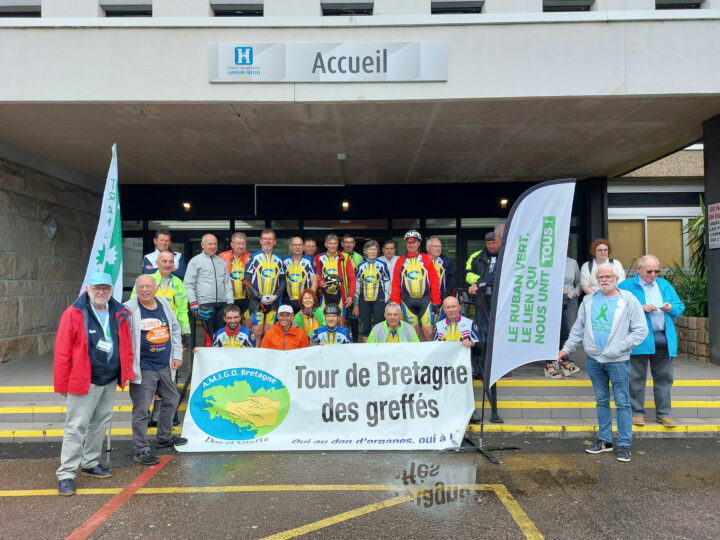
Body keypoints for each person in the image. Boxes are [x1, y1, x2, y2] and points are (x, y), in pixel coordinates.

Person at [54, 272, 134, 497]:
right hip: (84, 381)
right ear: (88, 289)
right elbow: (62, 351)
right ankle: (66, 473)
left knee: (100, 424)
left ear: (111, 290)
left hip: (109, 380)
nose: (101, 292)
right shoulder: (73, 313)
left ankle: (89, 463)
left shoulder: (117, 311)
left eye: (106, 288)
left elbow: (124, 344)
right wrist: (62, 383)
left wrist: (125, 372)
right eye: (97, 288)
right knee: (76, 426)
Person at [559, 263, 648, 462]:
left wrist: (620, 347)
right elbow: (577, 330)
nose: (604, 280)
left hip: (617, 361)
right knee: (601, 401)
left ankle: (624, 444)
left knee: (623, 403)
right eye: (601, 277)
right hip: (594, 360)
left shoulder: (628, 300)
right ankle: (605, 441)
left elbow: (641, 331)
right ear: (597, 280)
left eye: (608, 276)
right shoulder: (589, 300)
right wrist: (566, 349)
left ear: (617, 279)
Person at [125, 275, 187, 466]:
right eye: (141, 286)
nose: (145, 289)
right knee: (142, 410)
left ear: (155, 288)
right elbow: (123, 339)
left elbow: (174, 329)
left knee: (171, 399)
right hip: (143, 369)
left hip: (165, 365)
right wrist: (126, 368)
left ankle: (164, 438)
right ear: (137, 288)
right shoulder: (128, 308)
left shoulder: (163, 303)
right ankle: (141, 450)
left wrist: (177, 355)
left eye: (148, 286)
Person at [618, 254, 685, 428]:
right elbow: (616, 309)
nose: (653, 274)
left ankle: (664, 414)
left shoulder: (664, 285)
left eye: (656, 271)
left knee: (664, 378)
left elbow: (679, 307)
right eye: (649, 271)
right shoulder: (626, 286)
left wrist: (671, 307)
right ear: (639, 270)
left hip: (663, 339)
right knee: (635, 378)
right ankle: (637, 413)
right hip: (638, 340)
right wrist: (640, 308)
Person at [131, 249, 190, 426]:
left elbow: (182, 310)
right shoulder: (146, 281)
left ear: (174, 264)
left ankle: (163, 413)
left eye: (170, 261)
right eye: (164, 261)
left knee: (170, 375)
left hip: (169, 335)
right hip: (147, 335)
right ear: (157, 263)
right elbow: (134, 304)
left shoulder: (178, 283)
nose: (167, 264)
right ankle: (147, 412)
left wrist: (185, 333)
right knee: (147, 378)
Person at [434, 296, 502, 423]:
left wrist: (472, 344)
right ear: (444, 309)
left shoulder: (469, 324)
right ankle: (445, 411)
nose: (451, 310)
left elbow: (480, 349)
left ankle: (470, 411)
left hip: (465, 367)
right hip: (445, 367)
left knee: (464, 388)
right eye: (448, 307)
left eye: (454, 306)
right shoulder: (439, 326)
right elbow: (434, 349)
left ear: (459, 307)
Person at [184, 233, 233, 346]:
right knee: (210, 336)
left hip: (222, 304)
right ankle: (209, 362)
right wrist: (193, 301)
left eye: (215, 244)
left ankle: (220, 362)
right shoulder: (195, 261)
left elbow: (227, 284)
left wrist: (230, 303)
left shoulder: (221, 262)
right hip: (204, 304)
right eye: (210, 244)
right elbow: (188, 284)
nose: (213, 246)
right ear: (202, 245)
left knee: (221, 336)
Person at [391, 230, 441, 342]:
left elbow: (434, 282)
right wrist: (395, 304)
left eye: (414, 242)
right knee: (414, 333)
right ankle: (417, 359)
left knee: (429, 331)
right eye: (409, 243)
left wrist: (436, 302)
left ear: (419, 243)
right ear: (405, 244)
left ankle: (430, 358)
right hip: (407, 301)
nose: (411, 244)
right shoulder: (400, 261)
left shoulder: (426, 259)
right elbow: (395, 285)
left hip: (425, 301)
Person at [245, 229, 286, 344]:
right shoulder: (253, 258)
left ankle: (267, 359)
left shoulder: (279, 259)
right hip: (256, 301)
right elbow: (246, 280)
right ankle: (256, 358)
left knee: (270, 331)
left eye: (270, 239)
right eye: (265, 239)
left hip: (273, 302)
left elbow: (283, 280)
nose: (268, 241)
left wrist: (276, 295)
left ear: (274, 242)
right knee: (257, 331)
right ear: (260, 241)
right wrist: (259, 297)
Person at [545, 255, 582, 378]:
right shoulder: (547, 261)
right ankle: (549, 364)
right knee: (551, 333)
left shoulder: (572, 262)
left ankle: (564, 361)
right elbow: (542, 281)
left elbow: (578, 281)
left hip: (568, 300)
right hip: (550, 301)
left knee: (566, 332)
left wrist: (574, 292)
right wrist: (557, 290)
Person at [352, 240, 391, 342]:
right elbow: (357, 286)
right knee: (366, 327)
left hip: (379, 299)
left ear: (377, 251)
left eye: (375, 249)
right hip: (363, 300)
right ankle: (367, 352)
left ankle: (379, 350)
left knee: (379, 325)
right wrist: (356, 304)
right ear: (365, 251)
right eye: (370, 249)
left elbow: (387, 283)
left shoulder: (382, 265)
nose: (373, 252)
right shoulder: (360, 266)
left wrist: (385, 300)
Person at [315, 233, 356, 322]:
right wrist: (320, 282)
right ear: (326, 244)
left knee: (340, 321)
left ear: (338, 244)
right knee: (323, 320)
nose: (333, 246)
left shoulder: (344, 257)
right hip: (325, 293)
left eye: (335, 243)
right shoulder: (319, 258)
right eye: (330, 243)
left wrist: (351, 295)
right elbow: (316, 275)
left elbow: (352, 278)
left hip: (340, 293)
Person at [218, 232, 252, 328]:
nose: (241, 246)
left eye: (243, 244)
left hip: (247, 299)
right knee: (231, 326)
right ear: (232, 244)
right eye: (238, 243)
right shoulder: (222, 257)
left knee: (251, 326)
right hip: (229, 299)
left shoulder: (251, 257)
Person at [282, 236, 318, 313]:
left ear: (303, 247)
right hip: (287, 300)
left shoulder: (310, 261)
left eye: (300, 245)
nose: (297, 247)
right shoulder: (284, 261)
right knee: (288, 324)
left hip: (304, 301)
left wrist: (309, 299)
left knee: (304, 324)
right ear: (290, 247)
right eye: (295, 245)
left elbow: (314, 282)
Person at [426, 237, 457, 302]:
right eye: (435, 246)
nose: (438, 248)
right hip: (424, 298)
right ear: (427, 248)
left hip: (441, 298)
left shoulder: (446, 260)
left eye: (440, 246)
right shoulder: (420, 260)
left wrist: (447, 293)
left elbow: (452, 278)